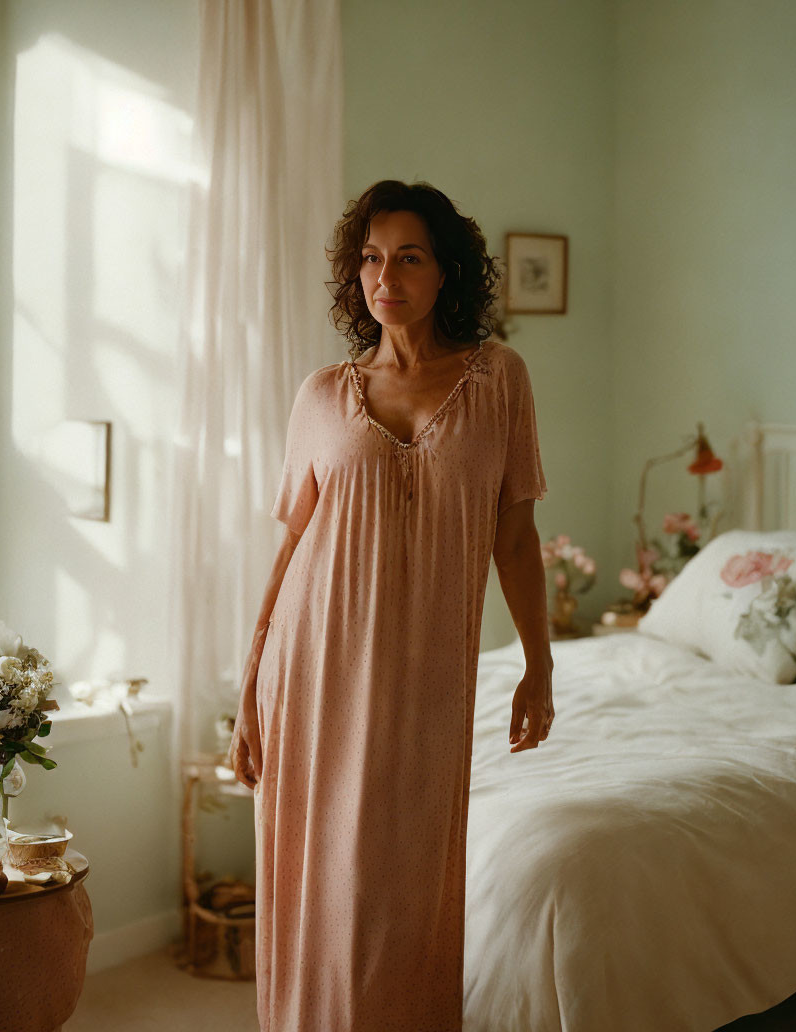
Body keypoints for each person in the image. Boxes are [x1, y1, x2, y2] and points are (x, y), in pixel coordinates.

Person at [229, 179, 553, 1032]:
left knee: (404, 890)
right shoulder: (320, 395)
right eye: (371, 258)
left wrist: (539, 664)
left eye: (408, 256)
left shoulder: (499, 381)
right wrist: (250, 685)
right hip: (312, 669)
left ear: (447, 271)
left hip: (425, 680)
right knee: (320, 887)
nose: (386, 276)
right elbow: (292, 545)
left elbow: (514, 541)